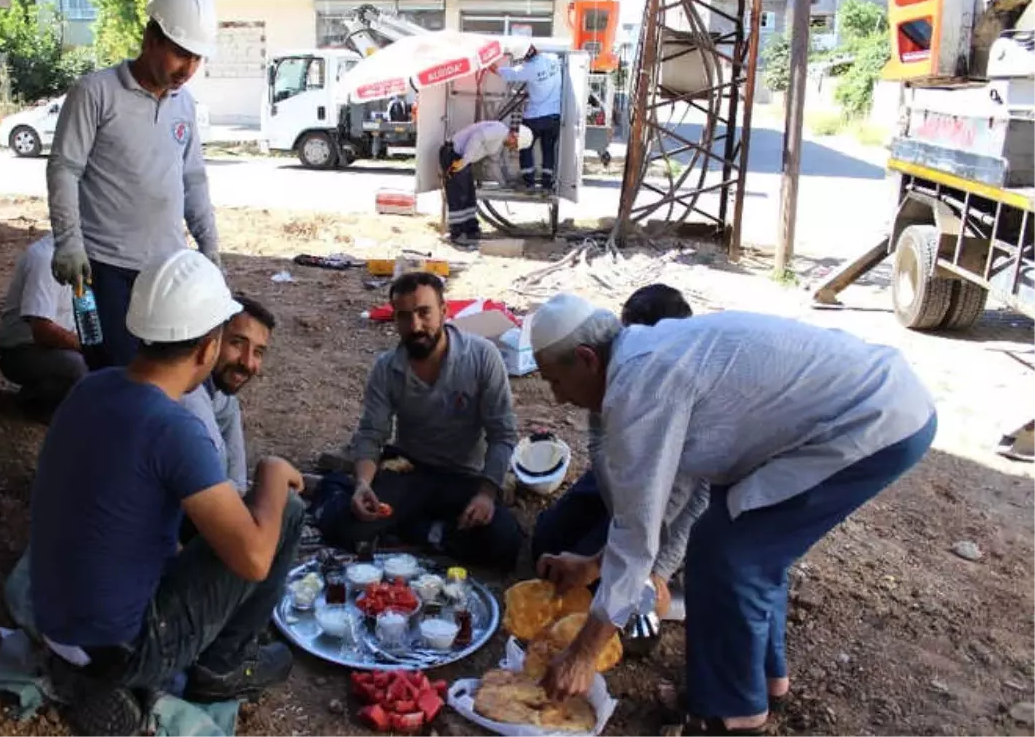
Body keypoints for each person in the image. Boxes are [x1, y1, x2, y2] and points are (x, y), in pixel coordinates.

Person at [528, 294, 936, 734]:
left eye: (556, 381)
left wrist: (583, 653)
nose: (558, 398)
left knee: (731, 554)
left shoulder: (638, 388)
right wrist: (595, 564)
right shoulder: (644, 357)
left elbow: (637, 528)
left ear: (587, 359)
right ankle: (763, 681)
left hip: (871, 418)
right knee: (745, 547)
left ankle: (735, 713)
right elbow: (660, 499)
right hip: (873, 399)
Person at [29, 250, 301, 736]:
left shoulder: (93, 387)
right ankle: (222, 668)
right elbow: (255, 559)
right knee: (287, 512)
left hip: (54, 623)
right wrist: (274, 472)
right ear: (206, 349)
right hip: (123, 645)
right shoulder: (173, 427)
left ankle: (93, 678)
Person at [48, 0, 221, 370]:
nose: (188, 70)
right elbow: (64, 168)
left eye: (197, 59)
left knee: (169, 376)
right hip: (103, 271)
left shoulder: (184, 104)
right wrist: (68, 243)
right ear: (150, 39)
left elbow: (192, 178)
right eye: (181, 54)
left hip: (166, 272)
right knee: (114, 375)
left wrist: (209, 249)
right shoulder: (95, 93)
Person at [316, 272, 523, 571]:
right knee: (349, 528)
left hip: (466, 477)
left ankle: (416, 529)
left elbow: (502, 433)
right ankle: (337, 487)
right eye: (403, 316)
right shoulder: (387, 368)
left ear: (444, 310)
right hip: (411, 470)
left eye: (424, 312)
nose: (415, 326)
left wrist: (487, 494)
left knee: (505, 544)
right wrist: (362, 484)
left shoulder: (482, 357)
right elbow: (372, 434)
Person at [531, 285, 708, 622]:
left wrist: (655, 569)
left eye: (556, 383)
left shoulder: (675, 388)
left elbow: (696, 497)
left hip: (670, 497)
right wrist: (622, 517)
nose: (557, 398)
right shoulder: (613, 366)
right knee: (550, 545)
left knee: (620, 597)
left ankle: (686, 599)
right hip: (620, 478)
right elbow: (602, 445)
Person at [180, 294, 276, 495]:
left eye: (258, 352)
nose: (247, 362)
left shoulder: (221, 391)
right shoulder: (189, 399)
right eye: (238, 343)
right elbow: (219, 491)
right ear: (211, 340)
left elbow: (237, 481)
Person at [0, 234, 89, 416]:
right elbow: (42, 330)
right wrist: (89, 347)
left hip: (62, 343)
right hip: (23, 349)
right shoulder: (45, 258)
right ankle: (33, 403)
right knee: (78, 366)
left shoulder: (89, 255)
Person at [440, 121, 534, 246]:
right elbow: (477, 137)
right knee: (458, 196)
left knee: (469, 195)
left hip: (462, 159)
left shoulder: (499, 143)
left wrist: (504, 184)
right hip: (452, 154)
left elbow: (494, 164)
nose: (512, 149)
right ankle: (457, 233)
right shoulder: (499, 130)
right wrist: (465, 160)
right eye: (515, 145)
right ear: (514, 137)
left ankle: (471, 230)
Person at [491, 41, 562, 190]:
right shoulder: (553, 59)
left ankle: (529, 182)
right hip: (554, 116)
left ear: (524, 57)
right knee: (548, 149)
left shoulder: (528, 68)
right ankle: (547, 183)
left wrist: (486, 64)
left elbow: (504, 73)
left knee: (524, 145)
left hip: (534, 117)